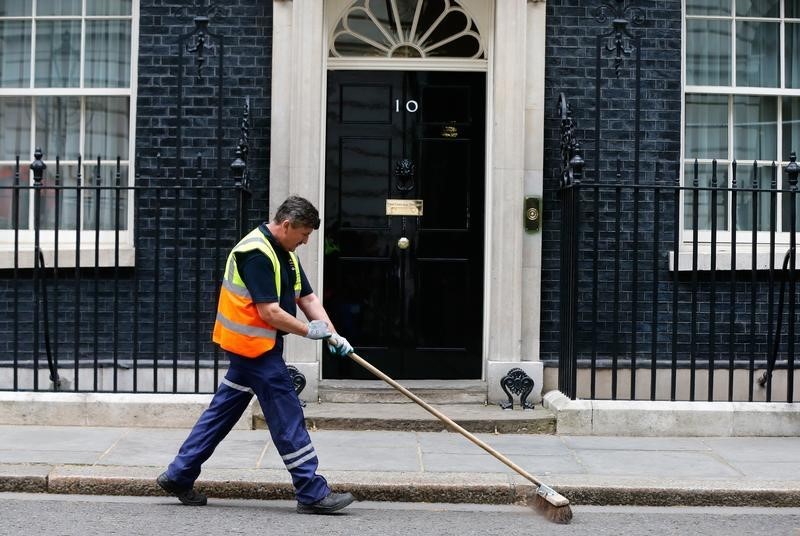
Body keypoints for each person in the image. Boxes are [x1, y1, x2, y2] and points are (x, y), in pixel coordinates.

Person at [157, 195, 355, 514]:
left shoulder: (284, 253)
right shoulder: (256, 253)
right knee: (287, 415)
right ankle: (311, 490)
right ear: (287, 225)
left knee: (220, 414)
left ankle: (179, 474)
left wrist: (333, 334)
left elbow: (307, 298)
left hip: (252, 349)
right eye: (303, 234)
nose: (305, 241)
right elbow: (270, 313)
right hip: (256, 350)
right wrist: (310, 332)